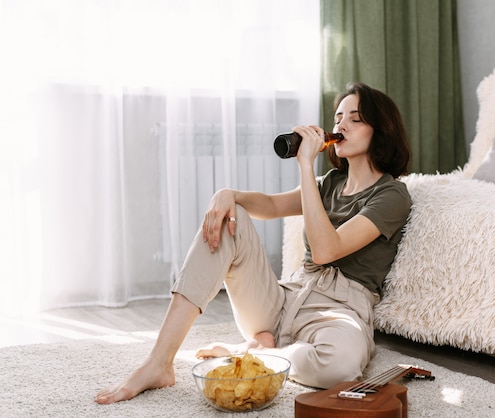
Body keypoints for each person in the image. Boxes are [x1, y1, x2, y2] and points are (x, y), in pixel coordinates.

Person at [95, 81, 412, 404]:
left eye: (355, 118)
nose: (341, 125)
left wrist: (305, 164)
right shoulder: (330, 183)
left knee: (341, 365)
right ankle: (158, 362)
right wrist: (229, 195)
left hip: (338, 312)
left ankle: (261, 351)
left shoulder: (392, 195)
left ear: (381, 130)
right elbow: (272, 206)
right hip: (282, 301)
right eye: (338, 118)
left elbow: (326, 250)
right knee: (231, 218)